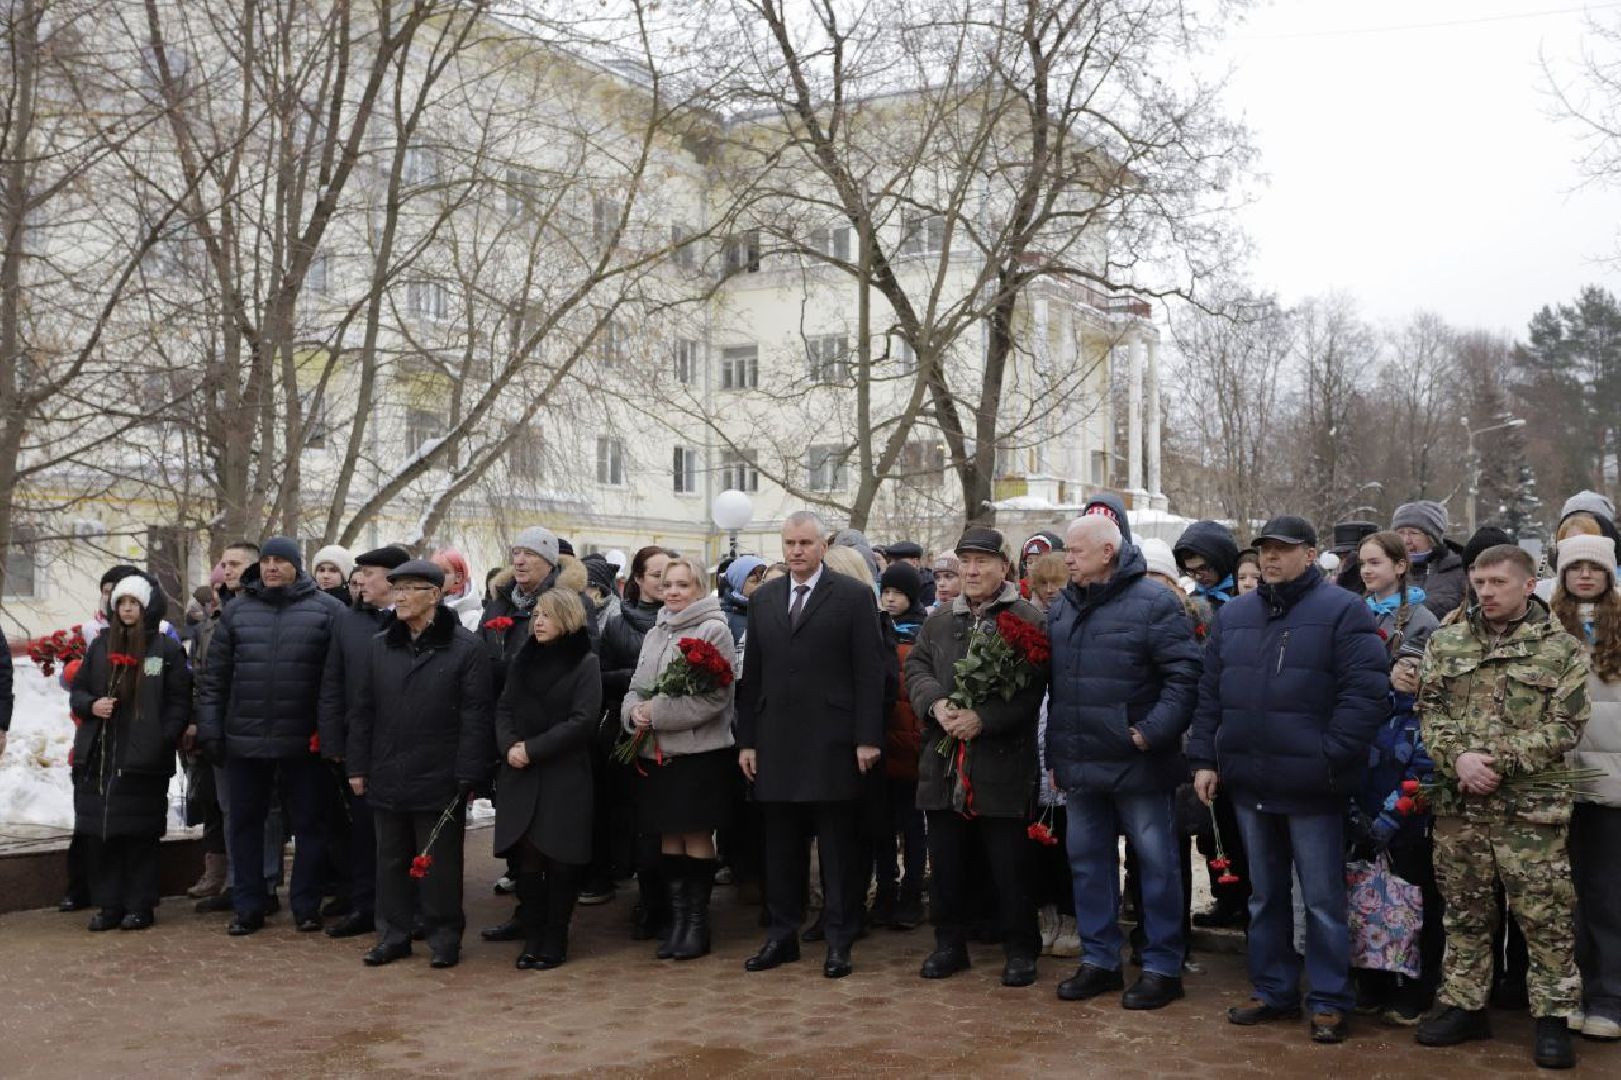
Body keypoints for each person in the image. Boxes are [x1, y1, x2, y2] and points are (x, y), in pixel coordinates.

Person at [1187, 515, 1388, 1044]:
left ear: (1311, 554)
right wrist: (1205, 759)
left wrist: (1327, 757)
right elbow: (1210, 694)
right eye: (1265, 549)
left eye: (1283, 548)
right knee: (1264, 896)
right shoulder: (1235, 616)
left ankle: (1329, 999)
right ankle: (1273, 989)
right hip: (1250, 782)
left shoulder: (1343, 610)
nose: (1271, 557)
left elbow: (1366, 696)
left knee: (1321, 901)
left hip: (1313, 787)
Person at [1414, 544, 1589, 1069]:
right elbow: (1429, 710)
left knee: (1545, 916)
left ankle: (1553, 1019)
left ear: (1528, 585)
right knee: (1465, 912)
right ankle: (1465, 1006)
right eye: (1479, 582)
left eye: (1498, 583)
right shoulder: (1447, 641)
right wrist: (1458, 758)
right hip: (1461, 807)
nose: (1486, 592)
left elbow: (1566, 726)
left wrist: (1496, 761)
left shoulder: (1561, 649)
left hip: (1529, 812)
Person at [1047, 513, 1201, 1009]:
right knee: (1088, 865)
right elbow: (1059, 688)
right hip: (1081, 762)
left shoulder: (1154, 602)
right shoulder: (1064, 606)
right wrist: (1056, 754)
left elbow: (1184, 676)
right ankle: (1100, 961)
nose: (1068, 560)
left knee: (1155, 866)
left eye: (1076, 551)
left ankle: (1162, 966)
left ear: (1107, 552)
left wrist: (1149, 733)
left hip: (1139, 762)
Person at [737, 510, 885, 979]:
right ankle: (782, 936)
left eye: (805, 543)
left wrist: (867, 738)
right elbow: (752, 675)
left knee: (837, 848)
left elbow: (870, 673)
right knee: (780, 846)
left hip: (833, 742)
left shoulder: (854, 596)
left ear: (822, 546)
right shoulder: (765, 599)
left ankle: (839, 940)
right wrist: (747, 741)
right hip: (776, 741)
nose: (797, 551)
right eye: (790, 543)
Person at [906, 526, 1049, 988]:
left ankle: (1020, 948)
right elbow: (916, 666)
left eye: (981, 562)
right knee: (946, 863)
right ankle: (949, 944)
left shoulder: (1027, 618)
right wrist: (936, 704)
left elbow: (1032, 691)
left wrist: (983, 718)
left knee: (1009, 865)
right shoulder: (939, 619)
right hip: (943, 764)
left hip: (1001, 765)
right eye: (965, 562)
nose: (971, 571)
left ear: (1003, 567)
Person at [195, 536, 348, 936]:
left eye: (281, 560)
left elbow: (337, 682)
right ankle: (249, 905)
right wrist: (211, 731)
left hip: (304, 742)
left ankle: (306, 905)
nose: (272, 567)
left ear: (297, 566)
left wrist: (330, 737)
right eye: (267, 561)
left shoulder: (329, 611)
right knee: (245, 825)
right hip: (245, 740)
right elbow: (215, 680)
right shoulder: (237, 611)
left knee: (311, 825)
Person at [345, 560, 493, 969]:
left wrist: (468, 773)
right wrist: (357, 766)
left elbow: (476, 715)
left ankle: (444, 936)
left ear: (435, 595)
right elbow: (362, 710)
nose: (401, 597)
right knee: (390, 860)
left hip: (440, 772)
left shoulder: (465, 648)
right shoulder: (380, 646)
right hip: (387, 769)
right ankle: (393, 935)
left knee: (439, 864)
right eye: (397, 589)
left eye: (410, 589)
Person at [621, 556, 737, 960]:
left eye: (682, 585)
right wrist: (633, 712)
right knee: (668, 835)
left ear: (699, 588)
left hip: (697, 753)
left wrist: (656, 713)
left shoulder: (713, 629)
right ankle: (676, 922)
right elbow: (636, 685)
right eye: (668, 584)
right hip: (657, 753)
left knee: (695, 834)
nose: (672, 591)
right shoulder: (657, 631)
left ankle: (697, 925)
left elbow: (714, 698)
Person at [1348, 531, 1443, 1025]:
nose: (1367, 570)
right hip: (1363, 747)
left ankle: (1415, 983)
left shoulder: (1420, 619)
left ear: (1401, 566)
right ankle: (1373, 976)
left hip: (1406, 757)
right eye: (1362, 563)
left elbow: (1419, 682)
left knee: (1412, 886)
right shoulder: (1353, 612)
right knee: (1364, 885)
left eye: (1376, 562)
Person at [68, 573, 190, 931]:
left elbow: (179, 701)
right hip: (100, 757)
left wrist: (163, 738)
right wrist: (92, 705)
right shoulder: (100, 646)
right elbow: (78, 692)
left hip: (143, 759)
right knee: (102, 836)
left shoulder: (165, 649)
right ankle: (109, 905)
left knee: (139, 836)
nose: (126, 609)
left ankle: (139, 905)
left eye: (133, 603)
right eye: (121, 603)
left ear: (146, 607)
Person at [493, 588, 602, 970]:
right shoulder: (523, 659)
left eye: (547, 615)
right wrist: (509, 746)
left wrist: (533, 749)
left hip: (562, 774)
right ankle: (533, 934)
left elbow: (583, 720)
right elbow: (504, 707)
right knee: (527, 859)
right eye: (536, 614)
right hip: (520, 771)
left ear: (567, 619)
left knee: (559, 858)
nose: (537, 622)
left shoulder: (585, 663)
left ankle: (556, 938)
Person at [1545, 533, 1621, 1043]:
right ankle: (1569, 992)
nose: (1585, 575)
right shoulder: (1547, 626)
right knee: (1562, 894)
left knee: (1607, 894)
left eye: (1595, 567)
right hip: (1558, 779)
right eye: (1576, 568)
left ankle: (1609, 996)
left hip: (1613, 782)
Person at [317, 545, 409, 939]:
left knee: (404, 834)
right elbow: (332, 684)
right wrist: (333, 742)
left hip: (407, 747)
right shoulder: (349, 621)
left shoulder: (416, 621)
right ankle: (365, 905)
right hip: (360, 746)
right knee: (363, 833)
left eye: (369, 574)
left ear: (392, 579)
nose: (360, 581)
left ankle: (410, 909)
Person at [599, 544, 671, 925]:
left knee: (671, 821)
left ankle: (674, 901)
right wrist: (639, 681)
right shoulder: (617, 624)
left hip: (673, 733)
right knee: (637, 820)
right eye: (657, 575)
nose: (665, 582)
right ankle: (648, 899)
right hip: (629, 730)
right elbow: (600, 676)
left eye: (670, 575)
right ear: (639, 579)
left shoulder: (683, 620)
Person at [875, 560, 928, 931]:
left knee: (912, 826)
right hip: (881, 744)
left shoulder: (923, 633)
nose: (891, 599)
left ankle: (912, 891)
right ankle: (885, 889)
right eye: (886, 592)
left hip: (911, 746)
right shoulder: (876, 631)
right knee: (880, 825)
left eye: (898, 593)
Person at [1390, 501, 1467, 619]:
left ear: (1432, 538)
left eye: (1413, 533)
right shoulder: (1387, 570)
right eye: (1400, 533)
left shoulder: (1459, 571)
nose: (1406, 540)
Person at [1173, 520, 1241, 611]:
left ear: (1221, 562)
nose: (1198, 576)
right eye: (1191, 571)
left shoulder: (1243, 596)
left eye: (1203, 568)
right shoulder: (1193, 598)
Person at [431, 547, 485, 631]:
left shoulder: (472, 617)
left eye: (445, 572)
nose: (437, 575)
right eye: (434, 570)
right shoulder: (428, 605)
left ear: (458, 577)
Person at [721, 555, 768, 645]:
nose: (761, 585)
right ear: (739, 584)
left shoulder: (772, 609)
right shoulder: (727, 619)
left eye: (763, 581)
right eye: (754, 581)